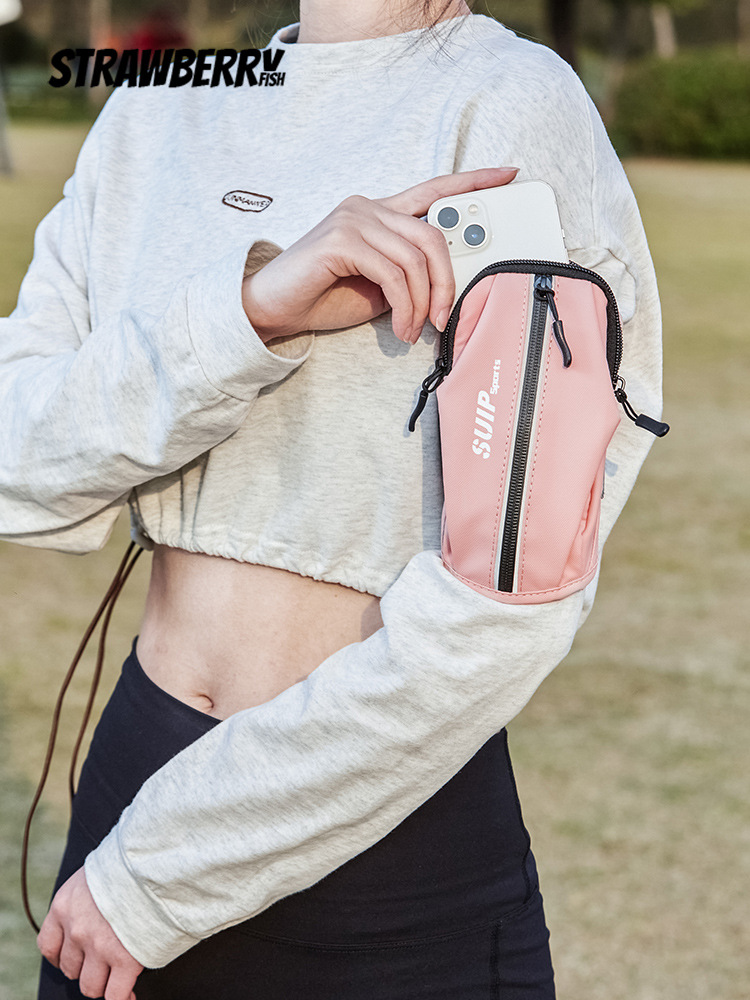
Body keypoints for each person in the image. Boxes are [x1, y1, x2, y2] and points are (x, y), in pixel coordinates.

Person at [0, 1, 664, 997]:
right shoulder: (158, 108)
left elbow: (509, 606)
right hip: (135, 776)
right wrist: (250, 315)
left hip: (383, 853)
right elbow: (17, 461)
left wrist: (165, 871)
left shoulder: (509, 104)